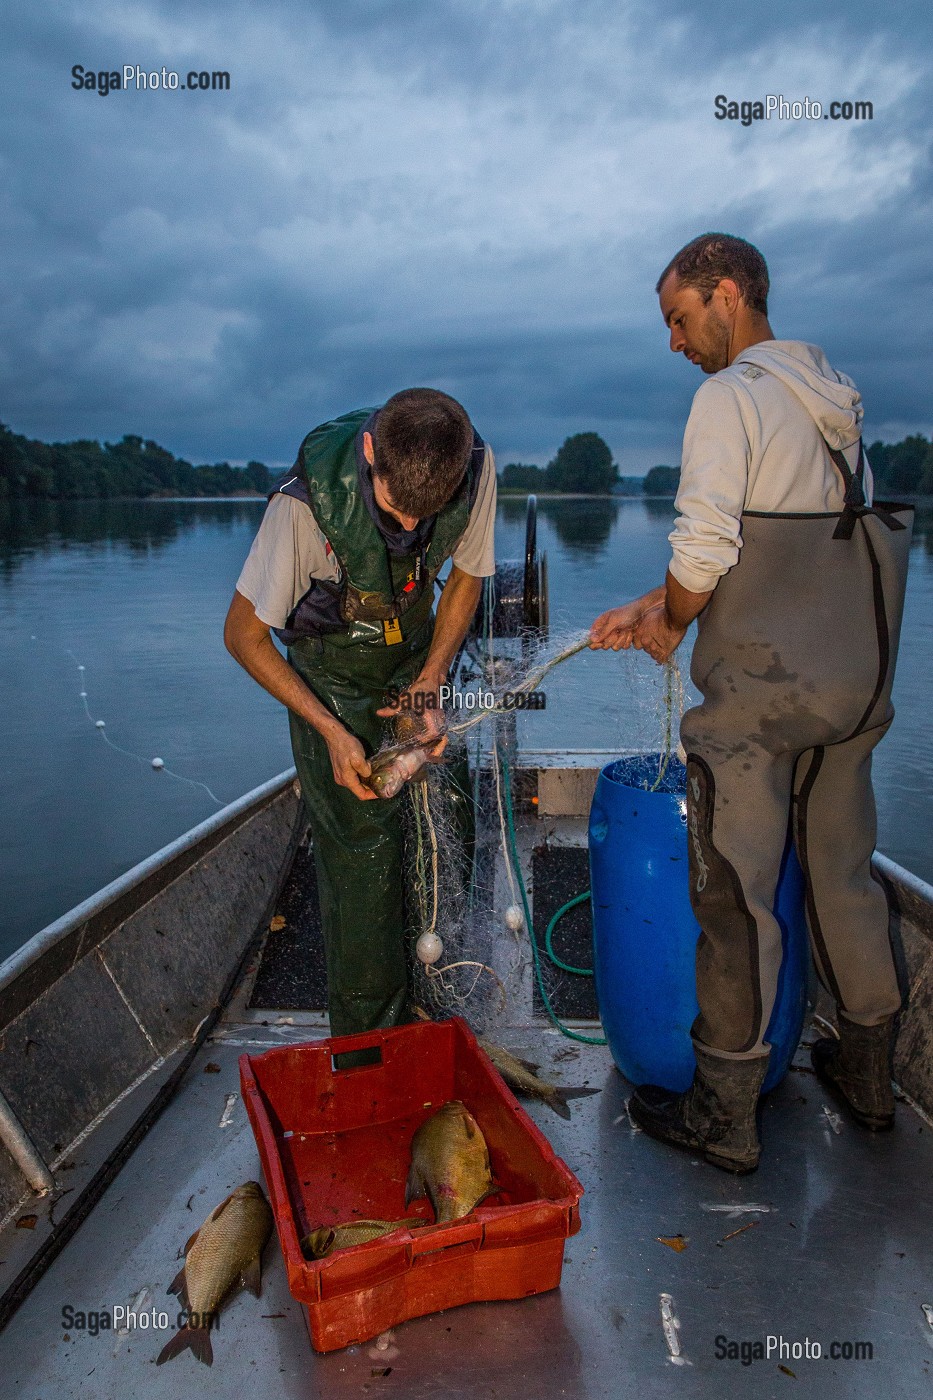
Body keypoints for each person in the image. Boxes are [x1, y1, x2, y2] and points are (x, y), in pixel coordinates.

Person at [590, 233, 913, 1173]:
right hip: (852, 696)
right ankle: (867, 1081)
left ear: (726, 294)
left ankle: (723, 1118)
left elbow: (702, 555)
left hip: (762, 709)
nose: (676, 343)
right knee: (846, 883)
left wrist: (671, 619)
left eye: (680, 320)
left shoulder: (726, 399)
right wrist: (652, 606)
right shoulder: (834, 400)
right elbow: (775, 555)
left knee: (735, 902)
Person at [225, 388, 496, 1038]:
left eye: (423, 518)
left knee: (449, 815)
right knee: (364, 861)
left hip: (414, 657)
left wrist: (430, 683)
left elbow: (465, 575)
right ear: (370, 453)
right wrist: (330, 730)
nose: (407, 533)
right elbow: (242, 637)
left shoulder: (474, 466)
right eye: (395, 513)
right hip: (332, 678)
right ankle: (370, 1042)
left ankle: (437, 1006)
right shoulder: (302, 508)